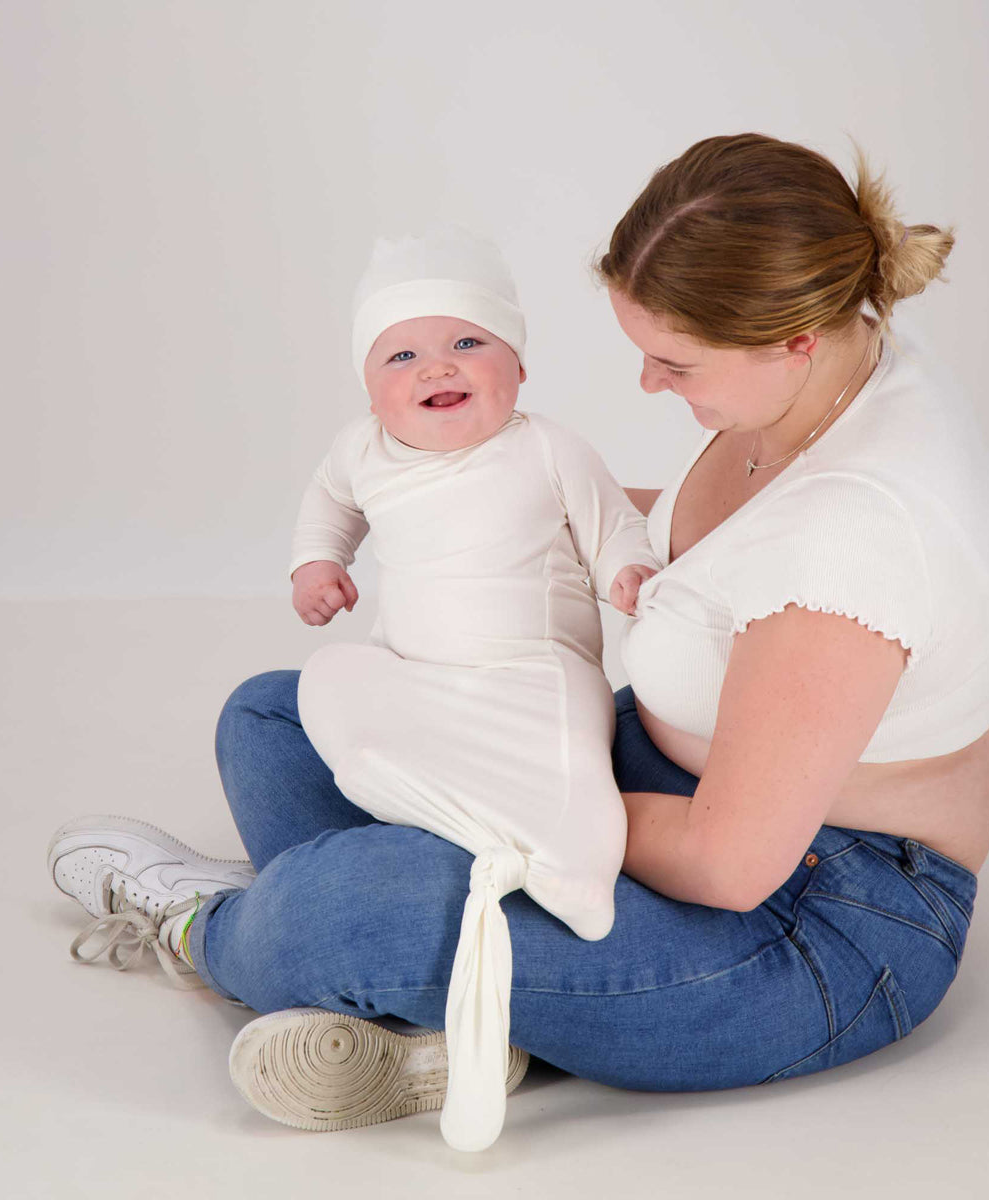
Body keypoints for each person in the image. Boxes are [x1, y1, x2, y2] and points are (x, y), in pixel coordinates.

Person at [47, 133, 989, 1154]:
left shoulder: (858, 537)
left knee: (345, 911)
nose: (644, 384)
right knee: (273, 716)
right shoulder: (836, 361)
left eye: (674, 361)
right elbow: (702, 543)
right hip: (667, 774)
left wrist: (502, 799)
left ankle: (224, 930)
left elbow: (733, 863)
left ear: (792, 339)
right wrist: (474, 505)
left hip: (810, 921)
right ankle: (464, 1009)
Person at [287, 225, 662, 1150]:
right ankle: (440, 815)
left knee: (572, 751)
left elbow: (614, 522)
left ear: (518, 369)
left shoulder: (549, 450)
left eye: (467, 343)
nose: (435, 368)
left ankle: (544, 856)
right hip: (417, 675)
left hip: (536, 673)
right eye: (402, 354)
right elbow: (326, 508)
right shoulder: (360, 451)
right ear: (370, 386)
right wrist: (316, 565)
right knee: (324, 683)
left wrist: (627, 574)